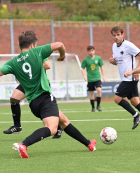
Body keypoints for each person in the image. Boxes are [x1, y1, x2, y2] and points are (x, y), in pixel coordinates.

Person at [0, 30, 96, 158]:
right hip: (45, 98)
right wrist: (62, 55)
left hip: (33, 104)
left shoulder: (12, 63)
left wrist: (18, 74)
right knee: (52, 129)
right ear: (33, 44)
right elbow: (60, 44)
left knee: (64, 121)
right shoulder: (36, 51)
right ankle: (23, 144)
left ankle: (89, 143)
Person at [3, 59, 64, 139]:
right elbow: (20, 67)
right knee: (14, 100)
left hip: (39, 83)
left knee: (44, 109)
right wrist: (19, 74)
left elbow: (47, 65)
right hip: (27, 83)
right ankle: (17, 126)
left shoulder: (38, 52)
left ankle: (58, 127)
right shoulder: (23, 56)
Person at [109, 26, 140, 132]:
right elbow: (120, 62)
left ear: (122, 35)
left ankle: (136, 115)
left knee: (117, 99)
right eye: (114, 35)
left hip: (130, 78)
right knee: (134, 101)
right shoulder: (114, 46)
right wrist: (113, 62)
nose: (116, 37)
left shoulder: (128, 45)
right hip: (125, 78)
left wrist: (137, 70)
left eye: (118, 35)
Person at [81, 45, 106, 112]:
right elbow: (82, 69)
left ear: (94, 51)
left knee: (99, 90)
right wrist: (84, 76)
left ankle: (98, 106)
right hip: (90, 79)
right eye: (89, 51)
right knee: (91, 93)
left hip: (97, 78)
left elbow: (102, 67)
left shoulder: (98, 58)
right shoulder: (86, 60)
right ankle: (93, 107)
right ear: (88, 52)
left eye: (92, 51)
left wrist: (103, 76)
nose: (91, 52)